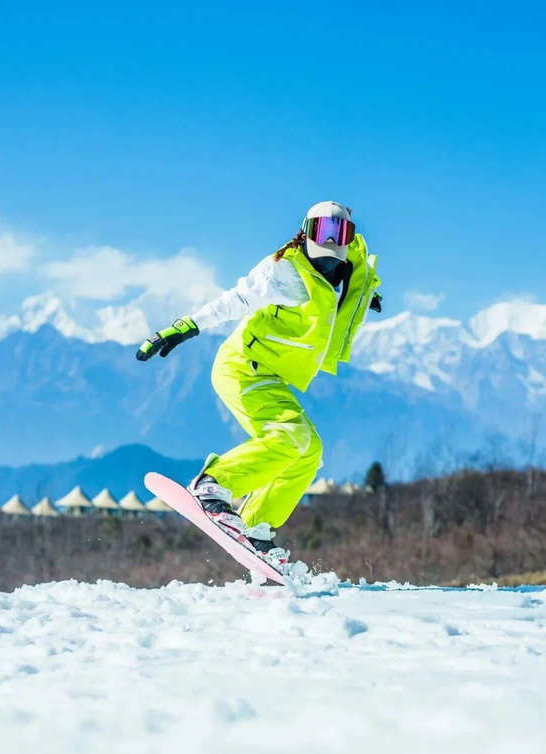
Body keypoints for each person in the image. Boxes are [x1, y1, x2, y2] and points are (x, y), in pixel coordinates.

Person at [137, 201, 382, 566]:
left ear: (350, 237)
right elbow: (237, 298)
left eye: (340, 232)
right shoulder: (286, 272)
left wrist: (366, 298)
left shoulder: (350, 269)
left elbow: (349, 292)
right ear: (305, 231)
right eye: (322, 231)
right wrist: (189, 325)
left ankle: (255, 527)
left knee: (309, 450)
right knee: (291, 436)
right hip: (242, 368)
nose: (330, 240)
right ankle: (212, 484)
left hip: (268, 374)